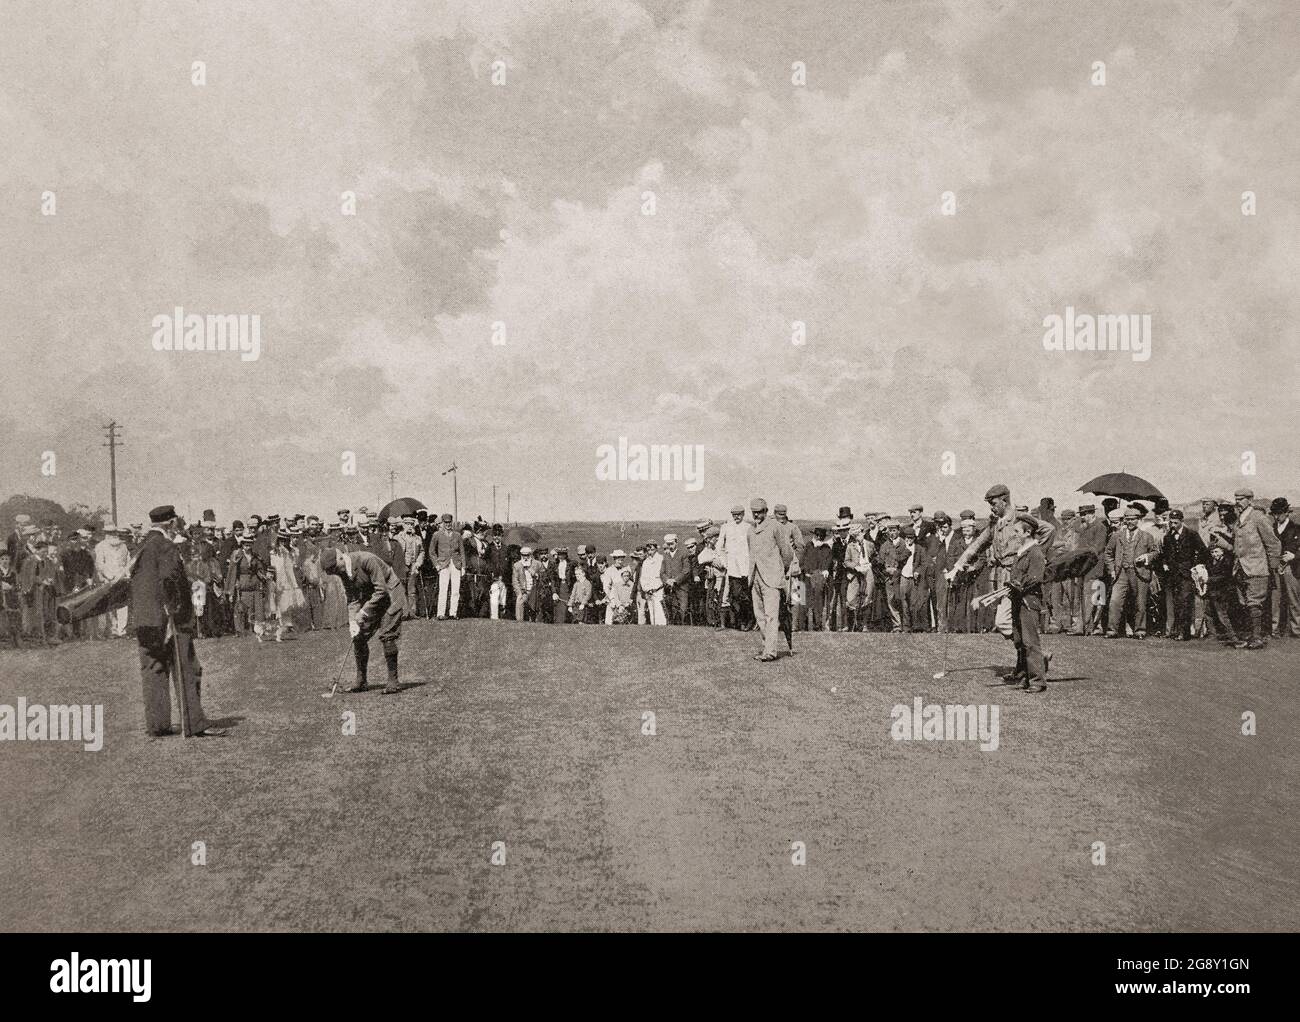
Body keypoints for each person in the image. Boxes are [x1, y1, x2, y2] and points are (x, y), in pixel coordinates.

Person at [129, 505, 226, 736]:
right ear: (171, 524)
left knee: (153, 669)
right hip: (168, 619)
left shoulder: (140, 548)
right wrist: (178, 610)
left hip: (145, 619)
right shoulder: (166, 547)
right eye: (176, 523)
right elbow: (170, 582)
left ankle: (158, 725)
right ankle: (194, 723)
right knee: (187, 668)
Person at [319, 545, 406, 694]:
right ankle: (361, 681)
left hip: (391, 594)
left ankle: (393, 681)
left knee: (387, 636)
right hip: (372, 598)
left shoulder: (366, 560)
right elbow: (352, 598)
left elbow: (381, 591)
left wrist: (363, 612)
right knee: (358, 637)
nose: (336, 573)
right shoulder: (342, 571)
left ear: (340, 557)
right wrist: (353, 620)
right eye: (332, 572)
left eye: (335, 568)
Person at [1215, 487, 1280, 649]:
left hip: (1257, 568)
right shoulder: (1238, 520)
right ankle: (1250, 635)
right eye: (1236, 499)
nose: (1237, 502)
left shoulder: (1258, 518)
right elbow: (1236, 547)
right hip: (1240, 570)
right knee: (1244, 603)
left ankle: (1257, 637)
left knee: (1254, 603)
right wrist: (1220, 542)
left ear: (1250, 500)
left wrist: (1273, 568)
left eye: (1241, 499)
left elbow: (1273, 544)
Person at [746, 497, 798, 662]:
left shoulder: (775, 526)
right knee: (760, 616)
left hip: (772, 578)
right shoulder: (750, 530)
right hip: (755, 578)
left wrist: (778, 570)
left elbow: (787, 552)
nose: (756, 515)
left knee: (771, 616)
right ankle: (765, 649)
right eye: (754, 512)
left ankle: (770, 652)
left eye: (759, 512)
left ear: (766, 511)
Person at [1006, 515, 1049, 693]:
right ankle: (1024, 676)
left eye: (1017, 531)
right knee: (1020, 640)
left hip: (1029, 601)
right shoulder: (1022, 550)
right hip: (1018, 600)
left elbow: (1035, 578)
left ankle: (1038, 681)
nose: (1014, 534)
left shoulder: (1035, 552)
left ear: (1028, 532)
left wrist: (1018, 585)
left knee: (1031, 642)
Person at [1104, 507, 1161, 638]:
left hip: (1140, 573)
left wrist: (1147, 557)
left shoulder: (1147, 536)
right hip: (1121, 572)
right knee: (1115, 601)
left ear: (1139, 520)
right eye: (1127, 519)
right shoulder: (1117, 536)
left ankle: (1140, 630)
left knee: (1140, 602)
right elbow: (1108, 553)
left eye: (1133, 519)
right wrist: (1112, 569)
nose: (1129, 522)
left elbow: (1155, 552)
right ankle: (1112, 630)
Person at [1160, 508, 1208, 640]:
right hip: (1173, 574)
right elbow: (1165, 553)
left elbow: (1203, 551)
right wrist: (1165, 563)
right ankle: (1176, 630)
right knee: (1176, 602)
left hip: (1187, 574)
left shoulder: (1192, 534)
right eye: (1171, 522)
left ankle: (1184, 632)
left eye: (1175, 522)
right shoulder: (1168, 536)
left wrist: (1195, 565)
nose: (1173, 525)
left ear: (1181, 521)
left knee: (1185, 602)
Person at [1271, 497, 1300, 638]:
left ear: (1286, 512)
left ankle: (1296, 629)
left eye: (1279, 513)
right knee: (1276, 599)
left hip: (1291, 568)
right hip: (1275, 567)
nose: (1276, 517)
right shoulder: (1271, 529)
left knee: (1293, 599)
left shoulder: (1296, 529)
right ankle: (1275, 629)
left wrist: (1294, 557)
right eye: (1274, 513)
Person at [430, 513, 463, 619]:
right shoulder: (437, 535)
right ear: (443, 523)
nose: (448, 524)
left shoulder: (457, 535)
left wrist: (463, 567)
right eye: (446, 522)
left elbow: (462, 552)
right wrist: (436, 565)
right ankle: (441, 613)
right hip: (443, 565)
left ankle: (453, 613)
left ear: (452, 522)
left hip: (456, 564)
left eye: (449, 522)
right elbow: (431, 551)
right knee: (443, 589)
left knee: (455, 590)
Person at [512, 546, 540, 622]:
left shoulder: (537, 564)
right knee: (519, 601)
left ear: (530, 555)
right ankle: (519, 621)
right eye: (523, 555)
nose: (525, 557)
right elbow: (515, 581)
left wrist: (536, 575)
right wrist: (519, 593)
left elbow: (543, 576)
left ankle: (534, 622)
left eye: (527, 555)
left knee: (534, 607)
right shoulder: (517, 565)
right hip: (523, 591)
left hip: (535, 591)